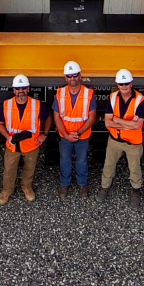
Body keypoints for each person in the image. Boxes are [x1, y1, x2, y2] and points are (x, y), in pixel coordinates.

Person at [0, 74, 50, 205]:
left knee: (29, 169)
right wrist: (8, 137)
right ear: (14, 90)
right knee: (9, 169)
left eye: (23, 88)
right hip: (13, 146)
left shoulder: (36, 105)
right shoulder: (6, 105)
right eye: (18, 89)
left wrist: (44, 135)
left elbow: (48, 118)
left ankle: (27, 187)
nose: (21, 91)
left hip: (31, 145)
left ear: (28, 89)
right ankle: (7, 190)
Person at [100, 68, 144, 208]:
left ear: (131, 83)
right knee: (108, 166)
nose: (124, 87)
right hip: (114, 141)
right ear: (117, 84)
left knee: (135, 169)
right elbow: (107, 122)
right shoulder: (112, 97)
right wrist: (127, 123)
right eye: (121, 84)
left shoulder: (140, 100)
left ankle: (136, 191)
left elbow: (137, 126)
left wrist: (117, 119)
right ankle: (104, 187)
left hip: (133, 143)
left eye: (126, 83)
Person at [53, 60, 97, 198]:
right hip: (65, 136)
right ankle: (64, 184)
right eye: (69, 76)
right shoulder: (60, 93)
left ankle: (82, 184)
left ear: (80, 76)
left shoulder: (88, 93)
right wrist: (66, 135)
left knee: (82, 160)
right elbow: (56, 117)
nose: (72, 79)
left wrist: (78, 133)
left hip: (81, 136)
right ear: (66, 78)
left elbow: (92, 117)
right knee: (64, 159)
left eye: (75, 75)